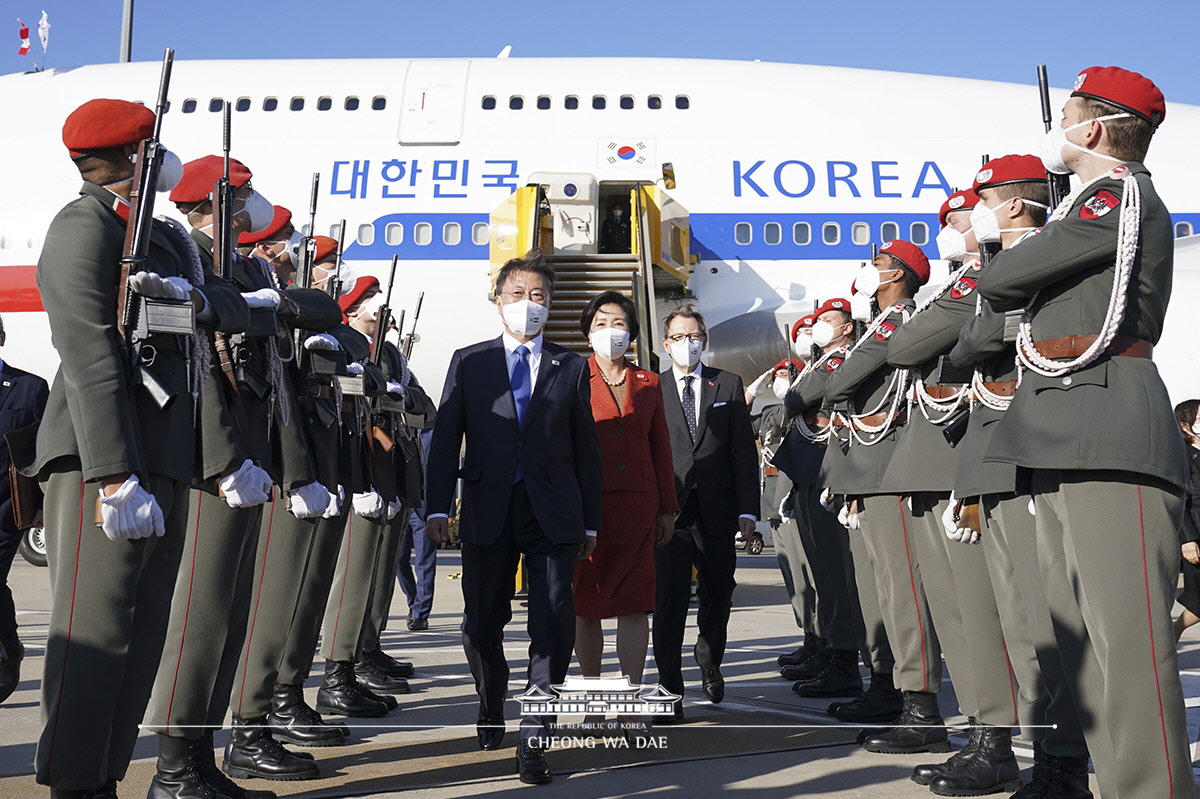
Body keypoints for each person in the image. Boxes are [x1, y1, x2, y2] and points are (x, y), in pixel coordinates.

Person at [977, 66, 1192, 799]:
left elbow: (1007, 280)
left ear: (1094, 127)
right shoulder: (1092, 205)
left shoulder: (1114, 195)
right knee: (1086, 650)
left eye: (1066, 112)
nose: (1058, 123)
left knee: (1127, 648)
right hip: (1066, 431)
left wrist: (1019, 238)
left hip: (1108, 428)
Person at [19, 98, 204, 799]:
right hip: (108, 460)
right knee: (93, 638)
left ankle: (102, 774)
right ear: (134, 157)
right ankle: (74, 781)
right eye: (153, 149)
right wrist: (114, 473)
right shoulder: (85, 223)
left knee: (140, 634)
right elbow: (90, 349)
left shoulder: (149, 234)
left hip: (157, 456)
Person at [425, 250, 602, 785]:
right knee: (481, 623)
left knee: (551, 621)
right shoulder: (469, 361)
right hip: (487, 506)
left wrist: (590, 521)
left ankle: (535, 735)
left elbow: (586, 449)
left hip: (552, 511)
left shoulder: (570, 367)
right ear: (498, 302)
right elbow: (445, 440)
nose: (529, 306)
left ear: (550, 307)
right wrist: (437, 505)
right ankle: (491, 696)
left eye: (540, 297)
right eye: (518, 295)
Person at [883, 176, 1035, 795]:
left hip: (984, 457)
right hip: (958, 459)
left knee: (1006, 618)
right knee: (964, 615)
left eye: (970, 212)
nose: (958, 225)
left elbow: (909, 346)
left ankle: (1021, 742)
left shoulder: (988, 278)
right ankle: (988, 736)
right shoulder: (964, 285)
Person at [822, 240, 950, 756]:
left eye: (876, 267)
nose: (868, 273)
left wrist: (834, 383)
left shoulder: (899, 321)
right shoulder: (880, 324)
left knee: (903, 594)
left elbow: (843, 380)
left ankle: (921, 708)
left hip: (891, 467)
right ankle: (899, 693)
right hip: (871, 469)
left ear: (897, 275)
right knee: (883, 592)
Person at [784, 299, 900, 714]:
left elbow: (801, 399)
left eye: (828, 321)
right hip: (812, 472)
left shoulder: (844, 359)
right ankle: (837, 653)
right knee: (827, 575)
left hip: (835, 472)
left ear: (849, 327)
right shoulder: (823, 361)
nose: (817, 328)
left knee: (844, 576)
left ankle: (849, 660)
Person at [572, 290, 678, 725]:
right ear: (587, 331)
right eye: (600, 323)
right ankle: (595, 698)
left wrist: (667, 508)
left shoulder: (650, 383)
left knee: (635, 605)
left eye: (618, 323)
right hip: (588, 507)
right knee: (588, 604)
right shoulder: (573, 377)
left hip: (638, 505)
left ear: (632, 333)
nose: (609, 331)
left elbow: (661, 449)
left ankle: (630, 699)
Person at [653, 305, 758, 722]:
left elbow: (742, 452)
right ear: (666, 344)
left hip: (718, 508)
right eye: (678, 337)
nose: (687, 343)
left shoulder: (727, 383)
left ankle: (710, 655)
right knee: (669, 600)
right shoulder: (652, 387)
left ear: (705, 339)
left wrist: (749, 509)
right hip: (669, 512)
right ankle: (669, 689)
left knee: (718, 593)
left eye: (694, 336)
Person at [0, 313, 49, 705]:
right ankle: (9, 647)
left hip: (4, 510)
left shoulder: (30, 388)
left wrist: (44, 505)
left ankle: (7, 655)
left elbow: (42, 453)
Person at [396, 429, 438, 632]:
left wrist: (442, 510)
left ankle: (421, 614)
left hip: (424, 506)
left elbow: (441, 471)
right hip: (401, 504)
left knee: (425, 562)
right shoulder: (396, 429)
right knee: (398, 559)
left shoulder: (431, 435)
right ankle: (414, 602)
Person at [1174, 400, 1200, 642]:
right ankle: (1173, 632)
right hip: (1197, 533)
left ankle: (1173, 632)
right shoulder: (1182, 456)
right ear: (1185, 426)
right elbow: (1181, 499)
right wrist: (1188, 540)